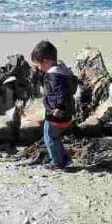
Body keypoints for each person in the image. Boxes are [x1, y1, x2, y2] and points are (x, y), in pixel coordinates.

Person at [31, 40, 75, 170]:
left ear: (45, 61)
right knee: (55, 137)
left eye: (39, 65)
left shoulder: (54, 76)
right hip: (64, 112)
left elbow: (62, 92)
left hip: (56, 113)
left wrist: (58, 107)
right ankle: (64, 159)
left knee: (49, 138)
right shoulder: (61, 72)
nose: (39, 68)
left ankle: (57, 163)